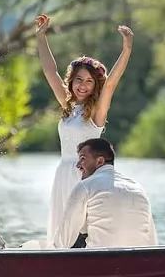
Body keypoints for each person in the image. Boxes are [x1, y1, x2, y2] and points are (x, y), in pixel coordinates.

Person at [35, 13, 134, 244]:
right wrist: (41, 36)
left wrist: (127, 48)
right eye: (79, 79)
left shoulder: (96, 114)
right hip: (63, 173)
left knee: (80, 230)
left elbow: (111, 83)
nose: (83, 86)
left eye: (89, 81)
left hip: (84, 176)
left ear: (94, 85)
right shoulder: (68, 107)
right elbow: (51, 72)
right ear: (72, 81)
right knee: (61, 230)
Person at [50, 138, 158, 249]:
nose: (78, 165)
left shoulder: (85, 186)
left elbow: (63, 241)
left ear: (100, 161)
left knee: (76, 233)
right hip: (140, 261)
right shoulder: (138, 187)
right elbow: (152, 242)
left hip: (99, 261)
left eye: (82, 159)